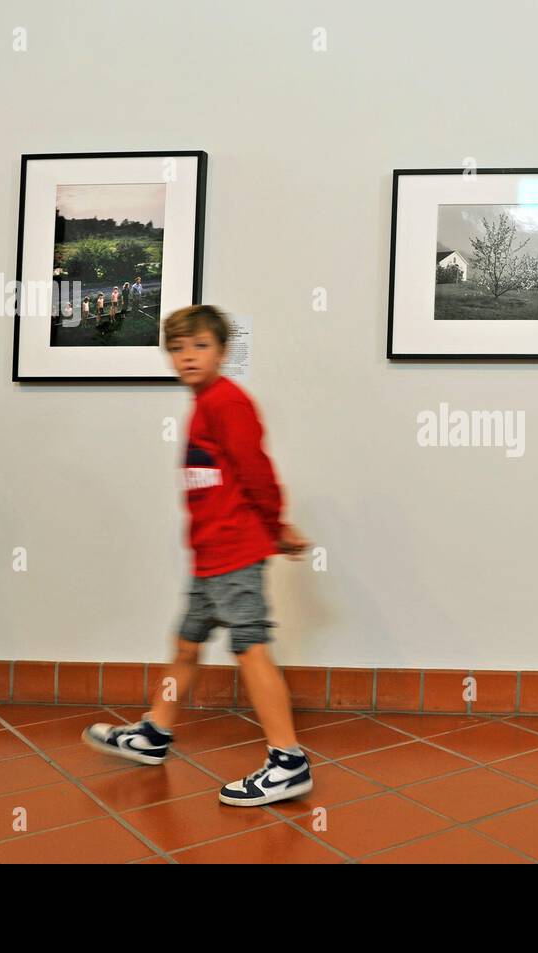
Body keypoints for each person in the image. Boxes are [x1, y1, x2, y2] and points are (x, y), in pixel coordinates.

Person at [83, 305, 313, 807]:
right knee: (186, 645)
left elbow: (257, 472)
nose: (188, 356)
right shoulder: (204, 403)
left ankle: (288, 761)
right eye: (178, 348)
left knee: (250, 646)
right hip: (209, 555)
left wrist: (275, 529)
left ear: (223, 352)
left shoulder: (227, 401)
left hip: (235, 551)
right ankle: (156, 732)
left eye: (200, 346)